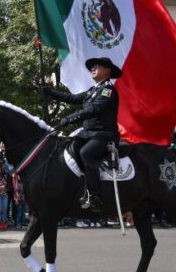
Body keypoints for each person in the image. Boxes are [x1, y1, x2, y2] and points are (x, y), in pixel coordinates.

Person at [42, 57, 122, 210]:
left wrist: (70, 118)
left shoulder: (108, 90)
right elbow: (72, 98)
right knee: (67, 148)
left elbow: (94, 110)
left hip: (103, 135)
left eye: (97, 66)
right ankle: (77, 187)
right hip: (88, 134)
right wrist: (50, 92)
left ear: (107, 70)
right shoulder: (93, 90)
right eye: (92, 67)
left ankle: (95, 195)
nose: (92, 68)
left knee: (86, 153)